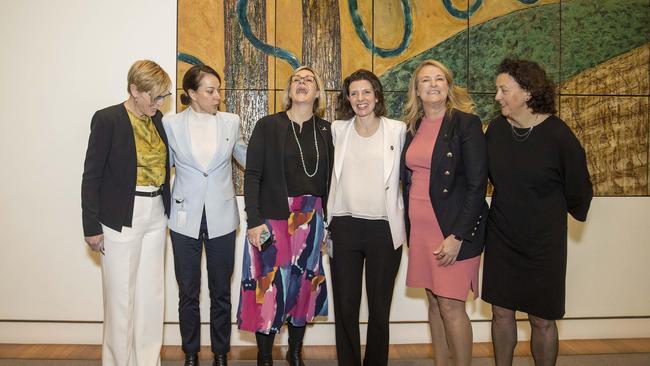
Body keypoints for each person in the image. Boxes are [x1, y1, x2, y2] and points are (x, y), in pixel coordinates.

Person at [482, 58, 593, 366]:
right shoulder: (496, 131)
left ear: (528, 92)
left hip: (544, 243)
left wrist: (551, 214)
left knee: (542, 319)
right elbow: (486, 177)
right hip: (502, 236)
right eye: (497, 90)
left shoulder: (558, 136)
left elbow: (580, 189)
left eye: (504, 89)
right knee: (500, 311)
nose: (497, 97)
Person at [237, 66, 333, 366]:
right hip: (271, 217)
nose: (301, 83)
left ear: (317, 93)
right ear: (288, 91)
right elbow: (251, 175)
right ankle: (264, 357)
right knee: (269, 286)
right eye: (296, 80)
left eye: (309, 80)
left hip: (312, 217)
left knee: (304, 285)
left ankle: (294, 353)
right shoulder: (268, 126)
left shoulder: (328, 130)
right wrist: (253, 221)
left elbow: (333, 180)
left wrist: (328, 224)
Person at [81, 60, 172, 366]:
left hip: (156, 214)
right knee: (121, 299)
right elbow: (91, 175)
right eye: (154, 97)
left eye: (164, 97)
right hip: (121, 216)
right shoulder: (108, 119)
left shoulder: (156, 120)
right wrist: (91, 226)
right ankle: (120, 362)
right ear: (134, 89)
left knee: (151, 297)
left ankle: (148, 361)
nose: (159, 104)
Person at [400, 60, 488, 366]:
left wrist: (458, 237)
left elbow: (478, 186)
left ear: (448, 86)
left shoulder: (466, 123)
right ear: (417, 90)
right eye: (426, 80)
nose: (433, 84)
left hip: (452, 231)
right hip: (421, 230)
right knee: (434, 304)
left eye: (439, 79)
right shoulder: (412, 127)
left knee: (451, 306)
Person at [162, 64, 246, 366]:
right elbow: (162, 169)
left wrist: (273, 156)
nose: (217, 96)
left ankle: (221, 353)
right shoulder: (170, 125)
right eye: (210, 91)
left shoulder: (231, 122)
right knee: (188, 291)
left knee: (221, 290)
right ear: (191, 94)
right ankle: (190, 353)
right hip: (184, 218)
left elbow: (246, 159)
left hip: (223, 216)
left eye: (218, 90)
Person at [326, 69, 406, 366]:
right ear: (348, 98)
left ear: (377, 95)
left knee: (379, 308)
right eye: (355, 93)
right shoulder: (337, 130)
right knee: (345, 307)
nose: (361, 99)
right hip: (344, 226)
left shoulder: (397, 130)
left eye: (366, 92)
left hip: (384, 229)